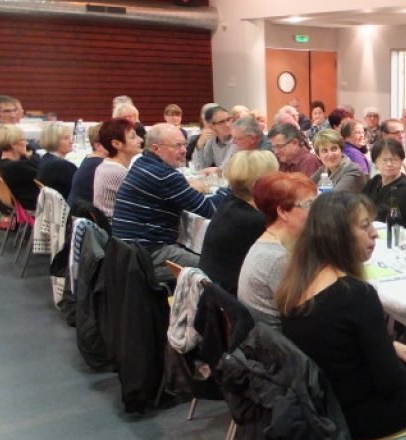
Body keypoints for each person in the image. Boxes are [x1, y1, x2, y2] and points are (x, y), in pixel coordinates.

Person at [277, 191, 406, 440]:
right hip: (363, 418)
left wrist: (388, 345)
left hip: (320, 407)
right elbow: (391, 384)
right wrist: (396, 357)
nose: (374, 233)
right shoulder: (355, 295)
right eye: (365, 226)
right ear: (338, 234)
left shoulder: (296, 283)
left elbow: (336, 340)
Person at [112, 123, 224, 282]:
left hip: (127, 252)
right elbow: (209, 209)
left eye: (184, 144)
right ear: (156, 149)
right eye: (177, 146)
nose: (184, 150)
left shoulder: (142, 163)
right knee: (216, 269)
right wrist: (232, 191)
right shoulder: (164, 175)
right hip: (148, 256)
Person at [237, 172, 317, 327]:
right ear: (283, 212)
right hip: (280, 339)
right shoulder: (277, 259)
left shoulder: (270, 240)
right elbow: (305, 313)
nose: (316, 211)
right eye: (309, 205)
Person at [198, 150, 278, 293]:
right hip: (231, 297)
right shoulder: (254, 220)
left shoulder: (230, 202)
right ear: (257, 184)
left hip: (214, 290)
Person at [362, 138, 406, 230]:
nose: (389, 164)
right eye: (384, 160)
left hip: (401, 233)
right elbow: (360, 202)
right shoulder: (375, 181)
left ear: (401, 161)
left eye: (394, 159)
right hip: (373, 229)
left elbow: (384, 213)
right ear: (375, 162)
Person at [93, 117, 142, 218]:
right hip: (118, 225)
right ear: (116, 144)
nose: (141, 140)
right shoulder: (117, 172)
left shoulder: (106, 164)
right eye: (133, 137)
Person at [0, 124, 40, 211]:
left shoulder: (4, 163)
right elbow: (42, 173)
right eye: (23, 139)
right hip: (35, 206)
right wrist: (27, 155)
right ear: (13, 144)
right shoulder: (17, 166)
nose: (26, 143)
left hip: (26, 203)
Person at [69, 123, 108, 207]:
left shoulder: (89, 158)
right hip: (84, 213)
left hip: (76, 210)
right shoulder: (99, 165)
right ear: (98, 146)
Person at [35, 122, 77, 199]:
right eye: (66, 138)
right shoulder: (62, 165)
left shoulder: (46, 158)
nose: (72, 142)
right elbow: (81, 189)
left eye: (70, 138)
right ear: (54, 141)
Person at [192, 105, 235, 171]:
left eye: (228, 119)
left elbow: (226, 169)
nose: (227, 124)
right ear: (211, 126)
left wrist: (214, 170)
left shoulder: (237, 139)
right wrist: (199, 146)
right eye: (221, 122)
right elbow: (200, 168)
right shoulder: (212, 140)